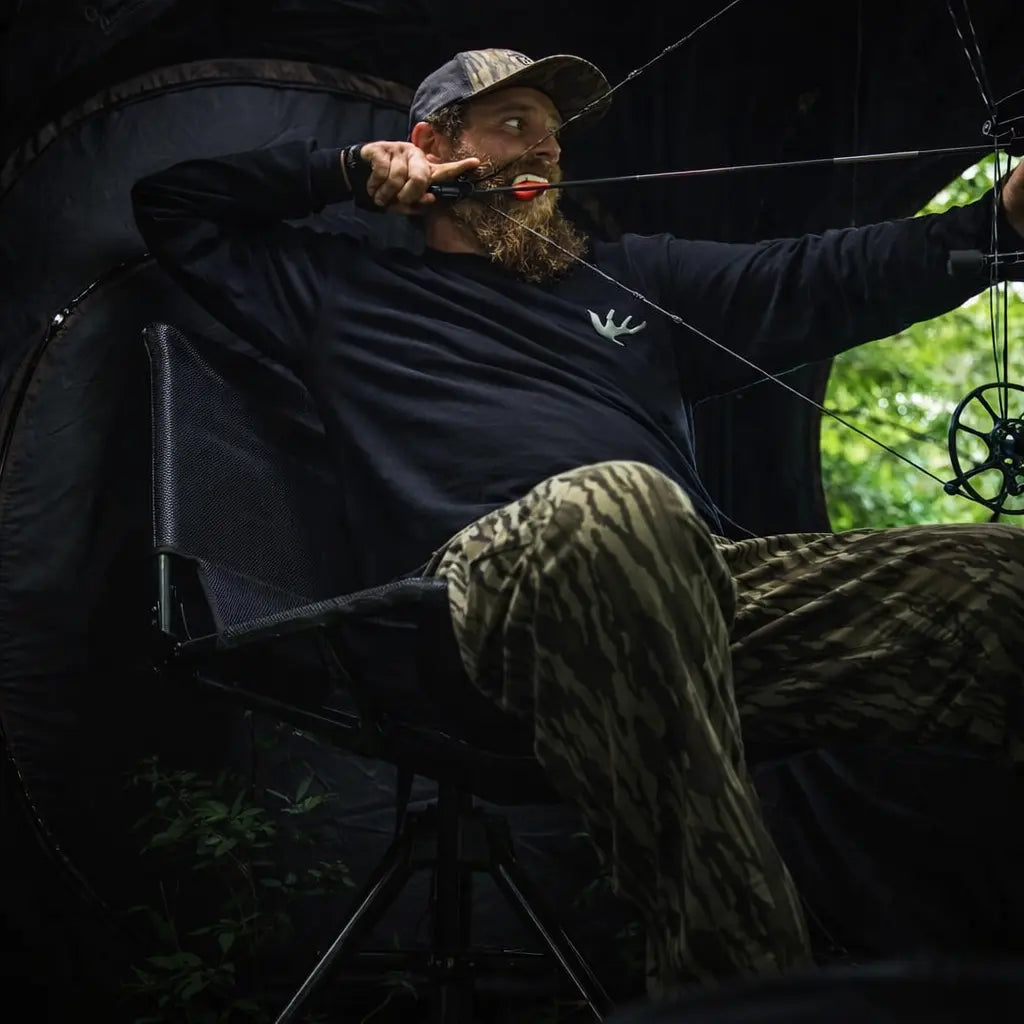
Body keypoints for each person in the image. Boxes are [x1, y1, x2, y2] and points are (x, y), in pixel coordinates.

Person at [131, 47, 1024, 997]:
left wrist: (999, 221)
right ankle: (743, 994)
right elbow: (173, 209)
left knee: (1002, 584)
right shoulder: (339, 292)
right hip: (474, 614)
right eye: (515, 124)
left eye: (554, 138)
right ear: (436, 146)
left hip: (699, 590)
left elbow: (820, 276)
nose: (546, 153)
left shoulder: (630, 283)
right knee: (618, 506)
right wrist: (346, 171)